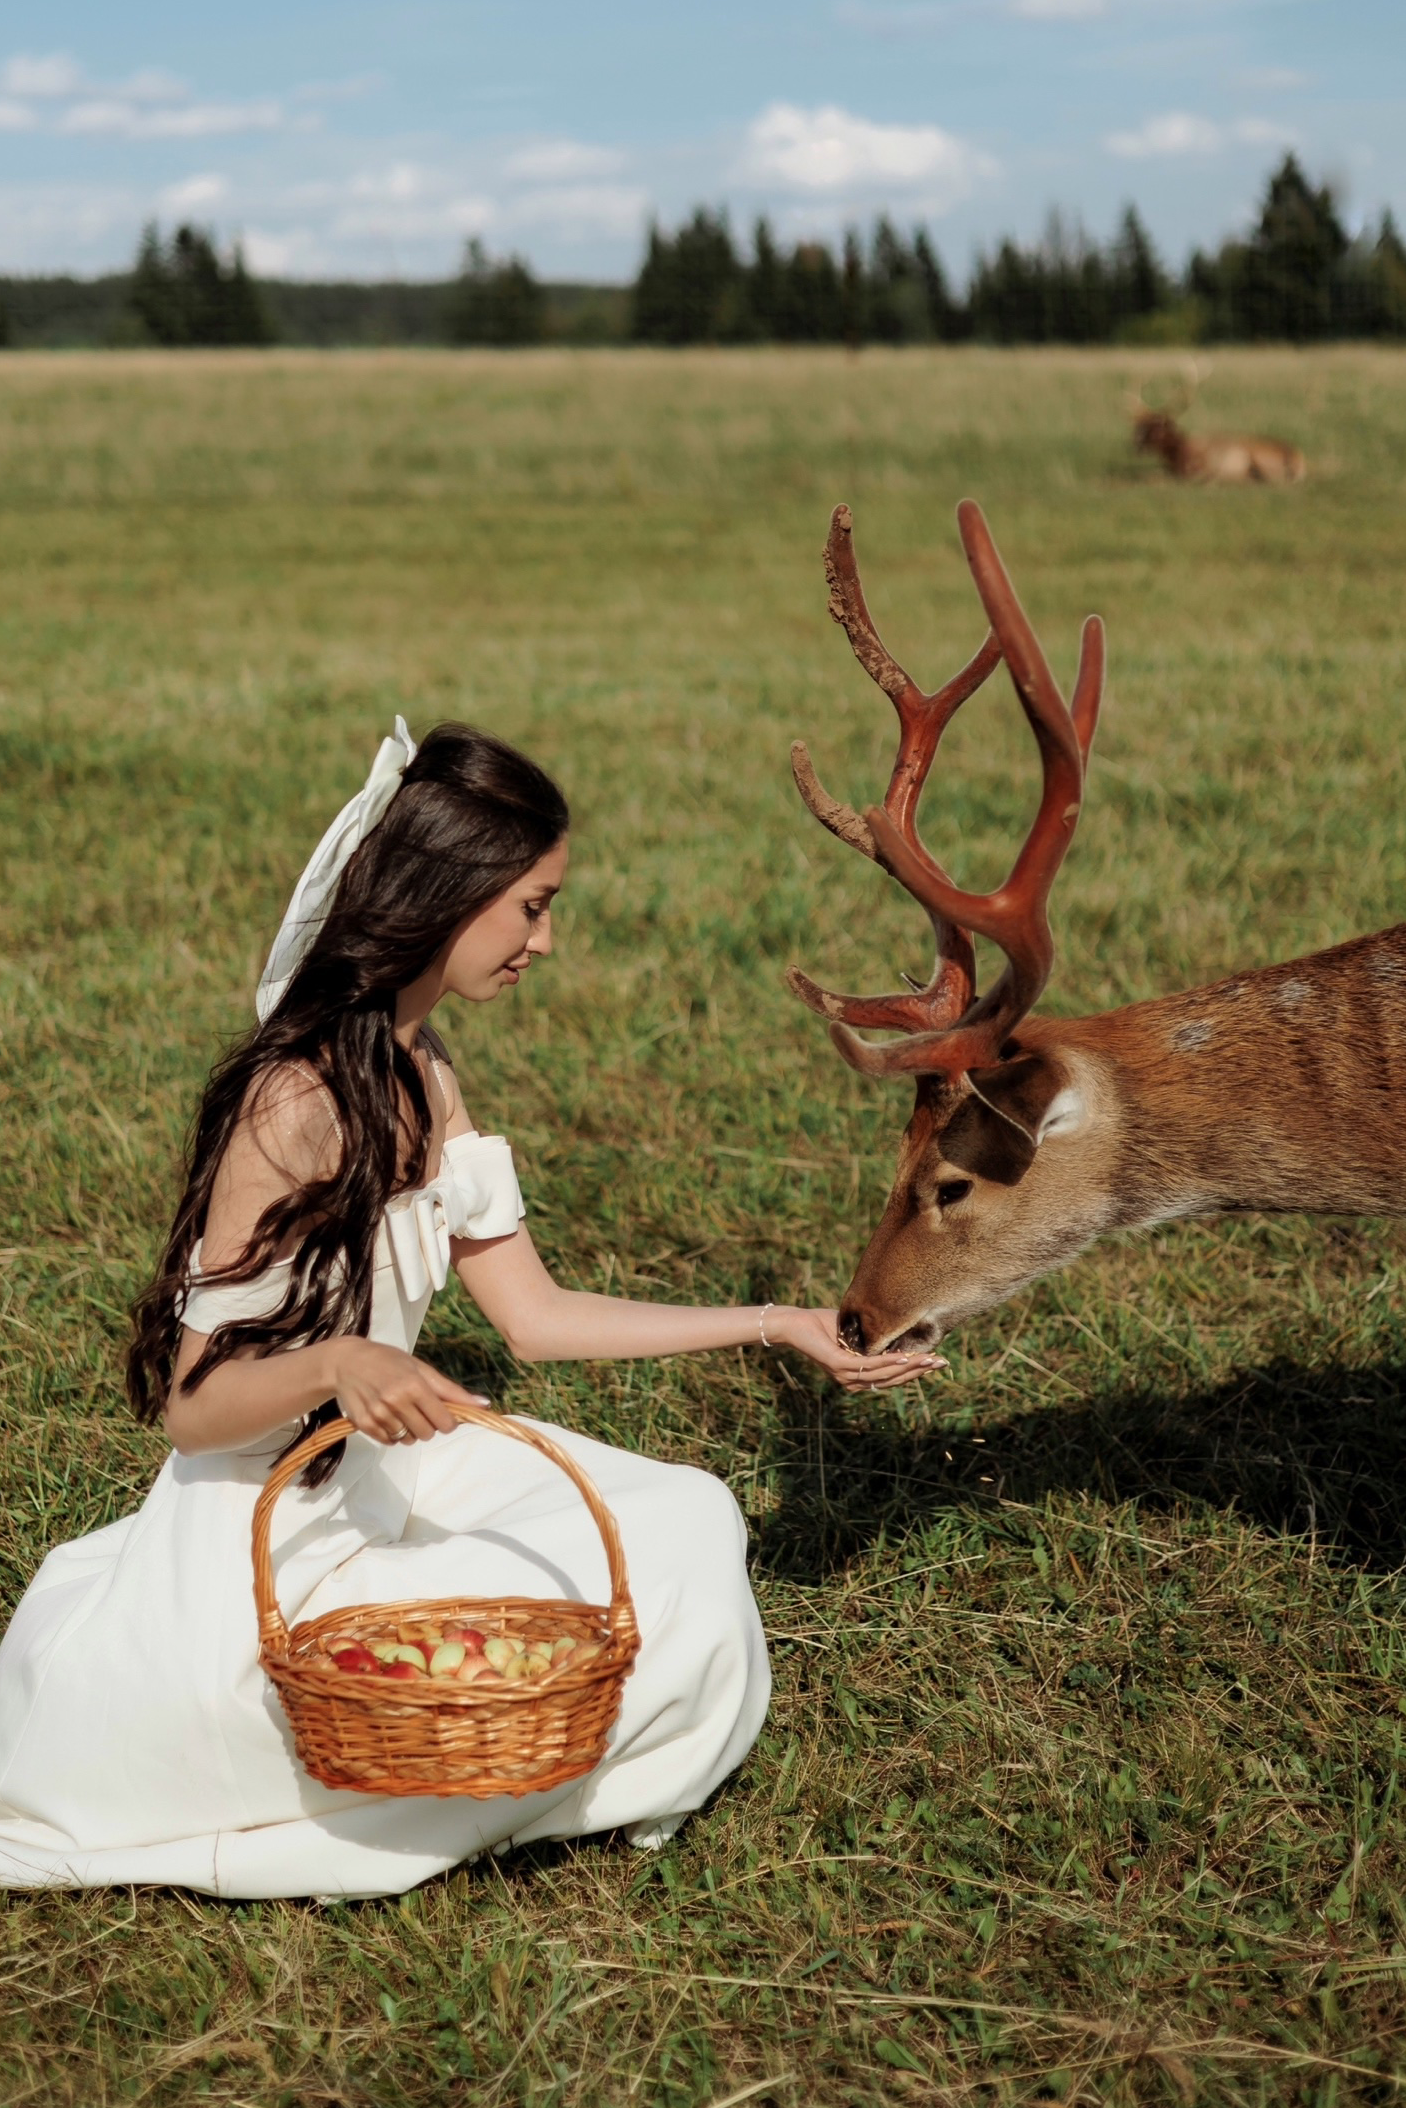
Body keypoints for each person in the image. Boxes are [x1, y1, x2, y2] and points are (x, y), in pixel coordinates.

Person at [0, 719, 938, 1899]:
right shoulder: (287, 1105)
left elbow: (534, 1316)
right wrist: (337, 1360)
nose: (547, 938)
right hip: (266, 1517)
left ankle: (547, 1764)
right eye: (531, 905)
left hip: (392, 1478)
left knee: (690, 1519)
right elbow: (194, 1410)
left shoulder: (424, 1069)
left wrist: (779, 1321)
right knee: (415, 1684)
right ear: (444, 897)